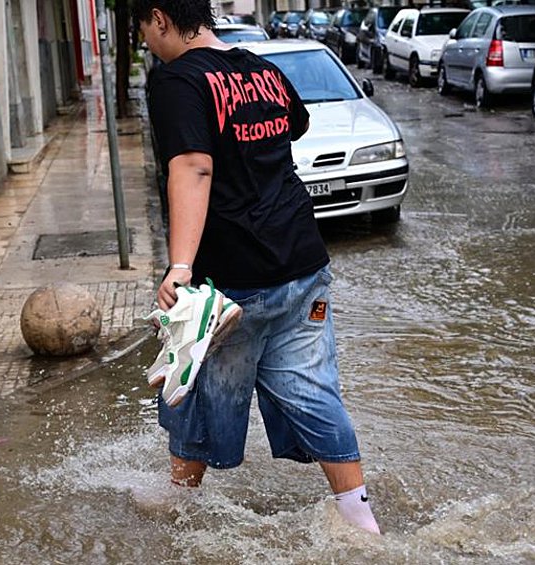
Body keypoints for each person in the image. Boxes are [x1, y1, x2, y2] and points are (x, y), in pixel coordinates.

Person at [135, 0, 381, 535]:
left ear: (159, 19)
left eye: (143, 30)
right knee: (315, 391)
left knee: (193, 380)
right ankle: (361, 520)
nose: (146, 43)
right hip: (303, 261)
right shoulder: (264, 70)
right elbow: (295, 123)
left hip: (235, 275)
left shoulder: (176, 82)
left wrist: (180, 266)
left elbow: (194, 167)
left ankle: (179, 510)